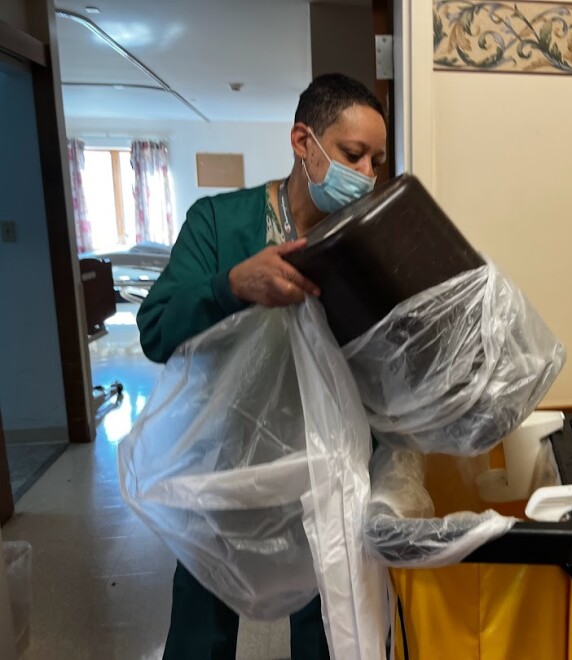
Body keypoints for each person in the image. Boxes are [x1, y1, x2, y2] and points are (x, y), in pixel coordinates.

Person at [136, 73, 388, 660]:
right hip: (225, 466)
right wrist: (231, 285)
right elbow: (155, 329)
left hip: (321, 472)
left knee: (326, 629)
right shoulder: (220, 225)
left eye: (376, 160)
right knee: (201, 633)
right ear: (304, 142)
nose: (368, 175)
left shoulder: (363, 245)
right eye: (353, 155)